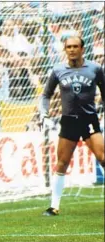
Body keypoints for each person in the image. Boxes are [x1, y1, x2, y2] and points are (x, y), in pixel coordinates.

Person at [39, 35, 105, 216]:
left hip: (89, 120)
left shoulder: (95, 69)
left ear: (82, 49)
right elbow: (46, 95)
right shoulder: (58, 70)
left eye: (76, 46)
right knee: (62, 163)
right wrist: (43, 114)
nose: (72, 50)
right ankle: (54, 206)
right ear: (65, 49)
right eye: (69, 47)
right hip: (68, 121)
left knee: (103, 158)